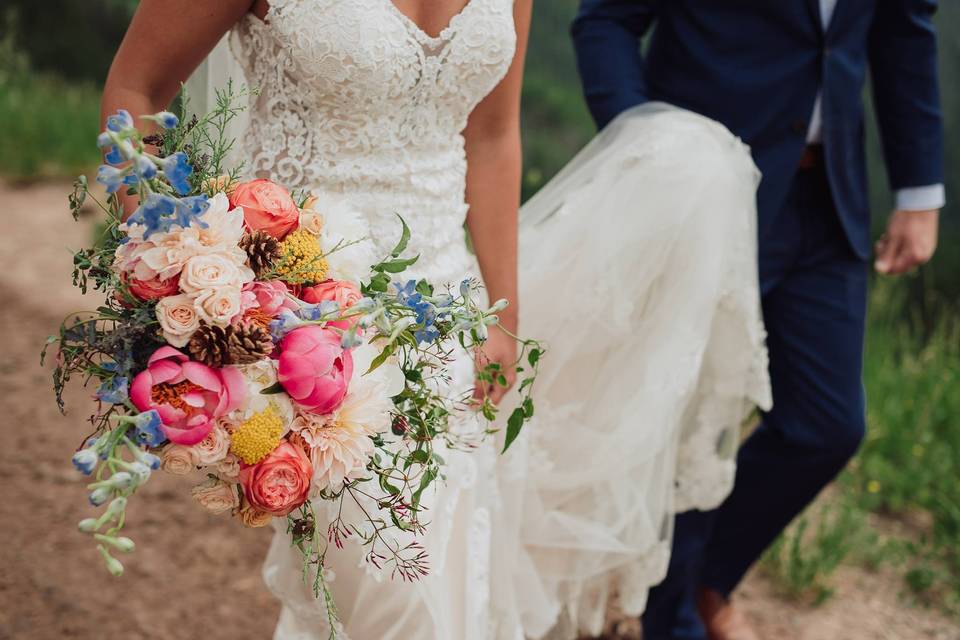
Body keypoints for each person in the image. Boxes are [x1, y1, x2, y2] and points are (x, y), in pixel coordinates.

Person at [101, 1, 770, 637]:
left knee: (443, 586)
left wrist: (502, 314)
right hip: (304, 327)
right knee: (390, 600)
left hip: (451, 320)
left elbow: (492, 132)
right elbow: (138, 84)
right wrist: (175, 276)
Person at [572, 1, 945, 638]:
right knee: (692, 419)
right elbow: (604, 19)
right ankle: (675, 618)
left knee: (827, 425)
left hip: (829, 198)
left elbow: (902, 31)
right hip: (703, 193)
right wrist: (643, 140)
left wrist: (919, 191)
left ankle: (700, 581)